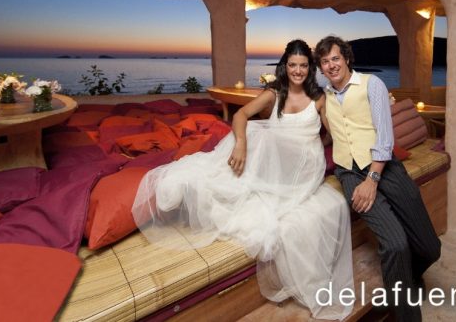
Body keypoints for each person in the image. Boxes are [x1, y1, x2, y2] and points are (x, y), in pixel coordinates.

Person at [132, 40, 353, 320]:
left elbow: (333, 131)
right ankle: (225, 180)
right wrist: (240, 144)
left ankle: (248, 179)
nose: (298, 71)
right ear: (285, 66)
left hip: (305, 168)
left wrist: (324, 140)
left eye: (304, 66)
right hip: (278, 160)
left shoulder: (320, 98)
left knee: (265, 139)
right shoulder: (275, 93)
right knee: (254, 136)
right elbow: (241, 114)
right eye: (293, 65)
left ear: (311, 69)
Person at [314, 35, 440, 321]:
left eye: (335, 58)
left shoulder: (373, 85)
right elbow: (323, 132)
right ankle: (405, 310)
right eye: (325, 61)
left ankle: (403, 283)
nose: (331, 65)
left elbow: (385, 137)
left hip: (385, 167)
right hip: (348, 171)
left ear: (346, 58)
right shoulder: (325, 97)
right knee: (395, 243)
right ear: (321, 68)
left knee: (431, 248)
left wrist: (372, 180)